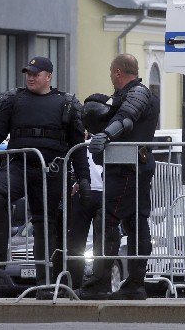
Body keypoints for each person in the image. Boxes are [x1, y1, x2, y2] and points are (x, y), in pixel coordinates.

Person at [0, 56, 88, 295]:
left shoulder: (67, 104)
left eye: (36, 73)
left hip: (50, 169)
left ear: (48, 76)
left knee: (44, 223)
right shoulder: (13, 100)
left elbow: (77, 147)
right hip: (19, 165)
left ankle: (46, 284)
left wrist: (83, 179)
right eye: (28, 73)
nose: (30, 77)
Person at [76, 54, 160, 301]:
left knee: (108, 220)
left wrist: (105, 136)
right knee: (135, 223)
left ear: (117, 72)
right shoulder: (131, 94)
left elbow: (127, 117)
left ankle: (101, 282)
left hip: (127, 167)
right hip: (131, 165)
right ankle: (134, 282)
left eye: (112, 73)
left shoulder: (138, 92)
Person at [66, 110, 106, 289]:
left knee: (97, 242)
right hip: (86, 191)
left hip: (98, 192)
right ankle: (76, 283)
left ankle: (95, 282)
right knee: (78, 242)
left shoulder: (99, 139)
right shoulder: (82, 142)